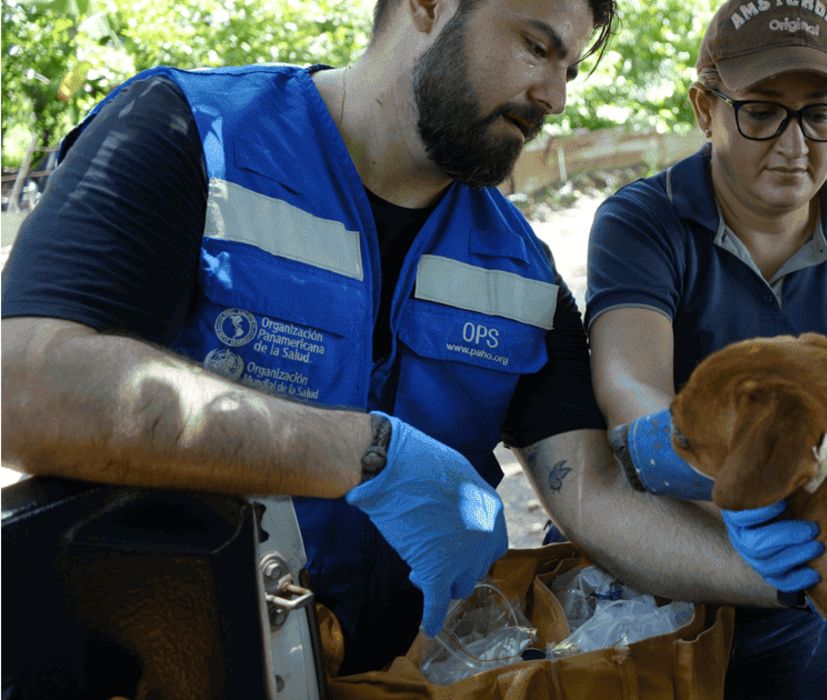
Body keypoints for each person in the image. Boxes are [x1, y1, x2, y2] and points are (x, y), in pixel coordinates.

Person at [1, 0, 618, 675]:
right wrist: (370, 457)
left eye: (570, 68)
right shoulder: (190, 134)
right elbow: (21, 388)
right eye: (537, 46)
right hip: (162, 670)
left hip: (390, 681)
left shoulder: (521, 267)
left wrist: (750, 566)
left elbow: (595, 496)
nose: (556, 98)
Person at [582, 0, 827, 696]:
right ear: (705, 107)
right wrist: (744, 494)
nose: (795, 144)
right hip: (678, 605)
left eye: (821, 113)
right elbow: (630, 389)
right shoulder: (643, 224)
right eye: (761, 111)